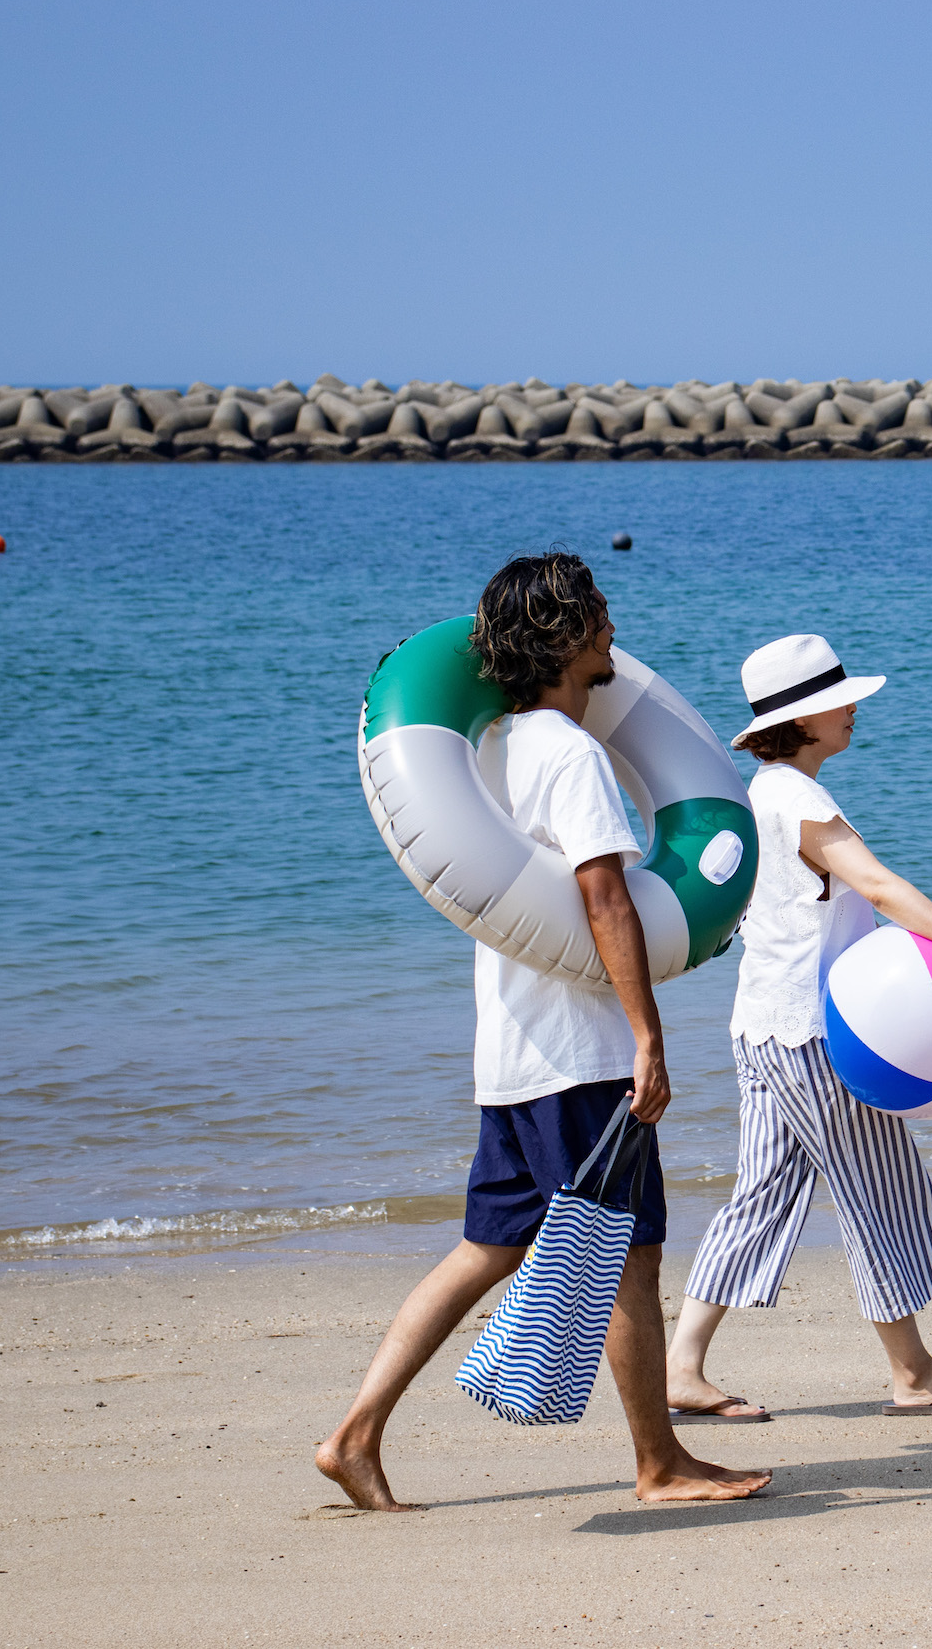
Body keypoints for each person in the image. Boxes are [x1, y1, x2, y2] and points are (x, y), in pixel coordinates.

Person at [316, 553, 770, 1510]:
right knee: (631, 1254)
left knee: (488, 1247)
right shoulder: (569, 754)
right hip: (581, 1055)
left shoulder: (493, 749)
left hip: (512, 1053)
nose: (614, 631)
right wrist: (647, 1035)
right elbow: (605, 897)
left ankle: (354, 1434)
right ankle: (659, 1464)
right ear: (565, 637)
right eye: (599, 615)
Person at [666, 634, 932, 1421]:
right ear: (801, 720)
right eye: (839, 700)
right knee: (875, 1189)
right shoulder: (799, 800)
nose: (854, 708)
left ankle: (681, 1367)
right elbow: (878, 886)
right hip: (814, 1035)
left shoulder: (762, 794)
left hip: (763, 1027)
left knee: (760, 1195)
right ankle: (914, 1374)